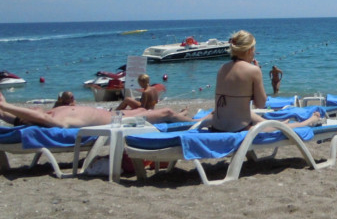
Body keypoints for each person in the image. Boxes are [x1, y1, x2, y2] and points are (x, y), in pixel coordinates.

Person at [206, 30, 320, 132]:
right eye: (254, 49)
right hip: (238, 129)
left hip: (217, 127)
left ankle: (276, 123)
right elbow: (260, 104)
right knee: (282, 128)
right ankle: (308, 122)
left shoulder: (222, 68)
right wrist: (257, 74)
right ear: (249, 50)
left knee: (243, 111)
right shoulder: (253, 70)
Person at [0, 91, 193, 128]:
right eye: (31, 110)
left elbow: (7, 116)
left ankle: (181, 116)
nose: (32, 107)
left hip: (114, 115)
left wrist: (3, 104)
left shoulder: (53, 111)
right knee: (166, 112)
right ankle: (196, 122)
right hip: (116, 122)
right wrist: (4, 105)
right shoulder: (56, 120)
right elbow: (14, 115)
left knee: (145, 111)